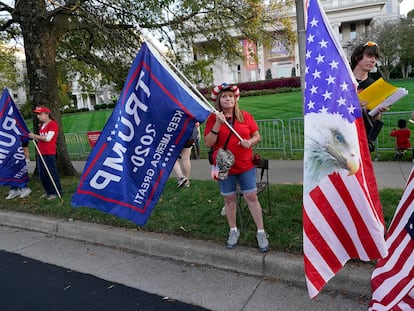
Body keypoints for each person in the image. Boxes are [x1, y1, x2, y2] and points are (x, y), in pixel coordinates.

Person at [204, 83, 269, 253]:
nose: (228, 99)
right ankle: (233, 230)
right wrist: (218, 124)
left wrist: (250, 142)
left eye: (230, 96)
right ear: (219, 100)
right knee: (229, 200)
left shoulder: (245, 116)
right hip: (225, 168)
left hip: (245, 165)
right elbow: (208, 143)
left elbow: (257, 136)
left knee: (251, 197)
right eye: (224, 96)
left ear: (235, 100)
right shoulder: (213, 119)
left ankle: (261, 232)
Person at [350, 41, 385, 152]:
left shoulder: (375, 85)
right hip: (343, 139)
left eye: (375, 57)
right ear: (357, 57)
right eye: (369, 56)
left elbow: (375, 119)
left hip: (364, 141)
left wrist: (378, 111)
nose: (373, 60)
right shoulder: (343, 82)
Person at [28, 106, 62, 200]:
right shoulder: (41, 125)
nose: (38, 116)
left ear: (47, 114)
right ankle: (48, 191)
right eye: (37, 114)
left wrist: (35, 136)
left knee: (51, 173)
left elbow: (48, 138)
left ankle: (56, 191)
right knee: (42, 174)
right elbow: (41, 138)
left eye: (40, 114)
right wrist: (34, 137)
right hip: (41, 152)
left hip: (49, 152)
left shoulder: (53, 124)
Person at [173, 122, 200, 188]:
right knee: (186, 158)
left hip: (178, 132)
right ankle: (186, 181)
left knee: (172, 157)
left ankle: (181, 176)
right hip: (191, 132)